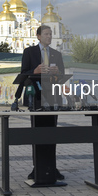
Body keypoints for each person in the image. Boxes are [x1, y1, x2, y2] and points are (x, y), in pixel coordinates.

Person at [21, 25, 65, 181]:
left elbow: (62, 75)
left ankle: (52, 167)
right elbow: (23, 74)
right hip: (36, 99)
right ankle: (37, 168)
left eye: (51, 34)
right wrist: (35, 72)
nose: (49, 36)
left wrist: (57, 73)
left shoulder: (56, 54)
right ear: (38, 36)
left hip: (53, 99)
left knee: (52, 134)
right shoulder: (29, 52)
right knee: (38, 134)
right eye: (46, 34)